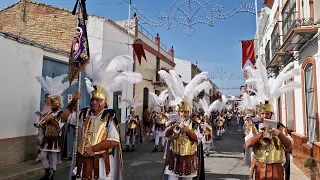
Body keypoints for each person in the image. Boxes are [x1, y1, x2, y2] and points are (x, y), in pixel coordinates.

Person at [35, 74, 76, 180]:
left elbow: (59, 124)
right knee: (43, 156)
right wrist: (42, 120)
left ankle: (52, 173)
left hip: (55, 137)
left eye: (54, 105)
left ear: (58, 104)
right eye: (51, 105)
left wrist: (74, 100)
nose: (52, 106)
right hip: (46, 137)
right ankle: (47, 171)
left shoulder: (60, 113)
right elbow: (43, 124)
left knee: (53, 157)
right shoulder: (48, 113)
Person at [245, 102, 293, 180]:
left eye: (267, 113)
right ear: (259, 114)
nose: (265, 116)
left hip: (276, 167)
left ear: (271, 114)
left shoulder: (280, 127)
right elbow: (247, 144)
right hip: (259, 166)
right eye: (262, 113)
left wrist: (279, 134)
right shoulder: (254, 127)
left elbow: (290, 147)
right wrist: (260, 134)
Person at [34, 93, 52, 163]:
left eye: (49, 98)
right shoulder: (44, 106)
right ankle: (39, 156)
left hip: (48, 127)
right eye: (46, 98)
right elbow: (41, 116)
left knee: (47, 142)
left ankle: (46, 157)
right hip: (42, 126)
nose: (47, 99)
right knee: (39, 141)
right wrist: (39, 123)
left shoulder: (52, 107)